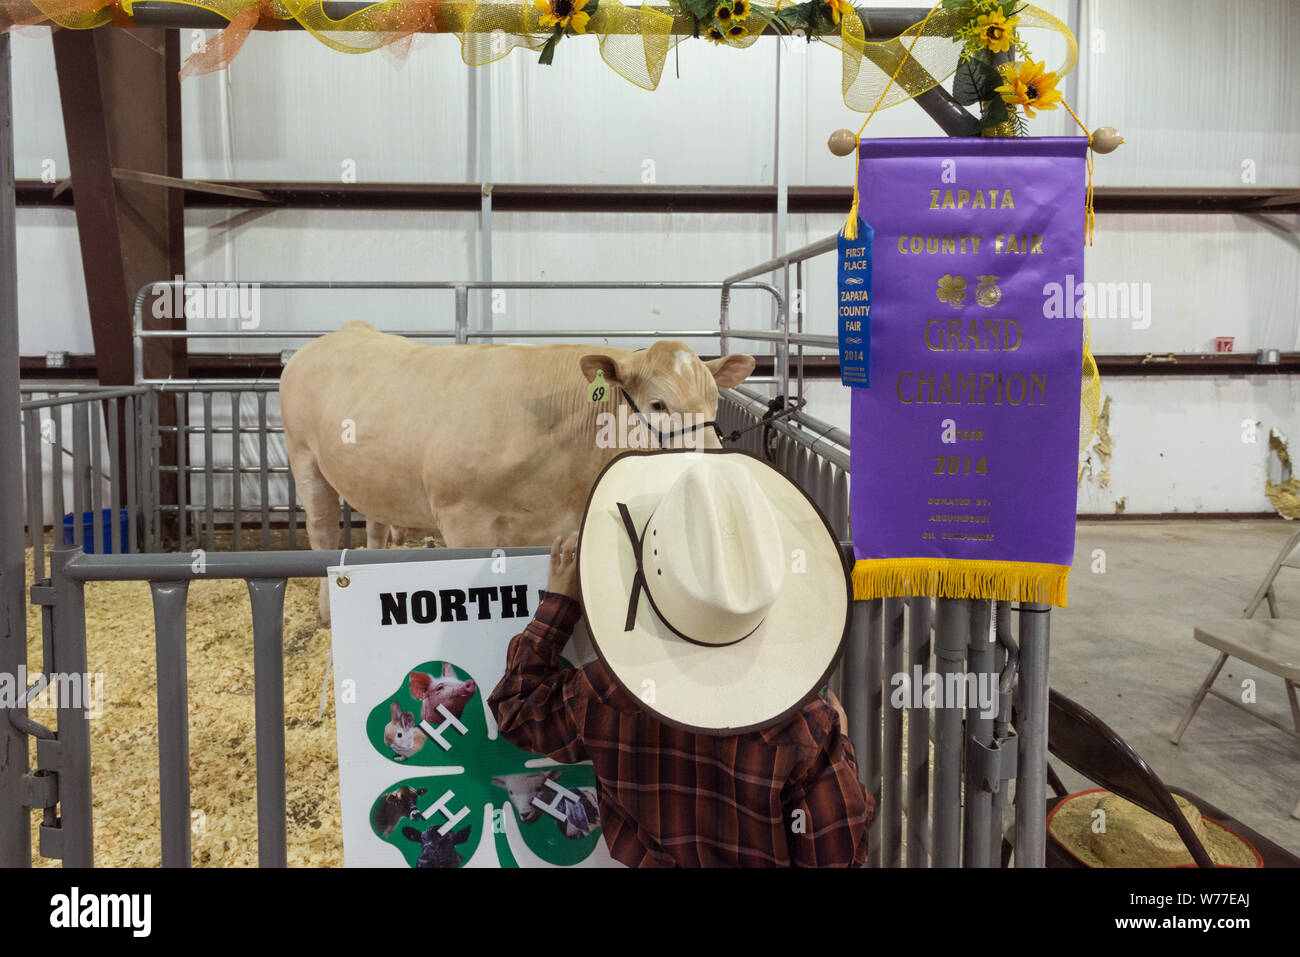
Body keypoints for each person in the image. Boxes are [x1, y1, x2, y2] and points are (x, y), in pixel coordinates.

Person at [488, 449, 875, 867]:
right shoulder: (807, 728)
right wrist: (842, 748)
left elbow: (517, 710)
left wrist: (559, 606)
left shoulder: (607, 690)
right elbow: (837, 855)